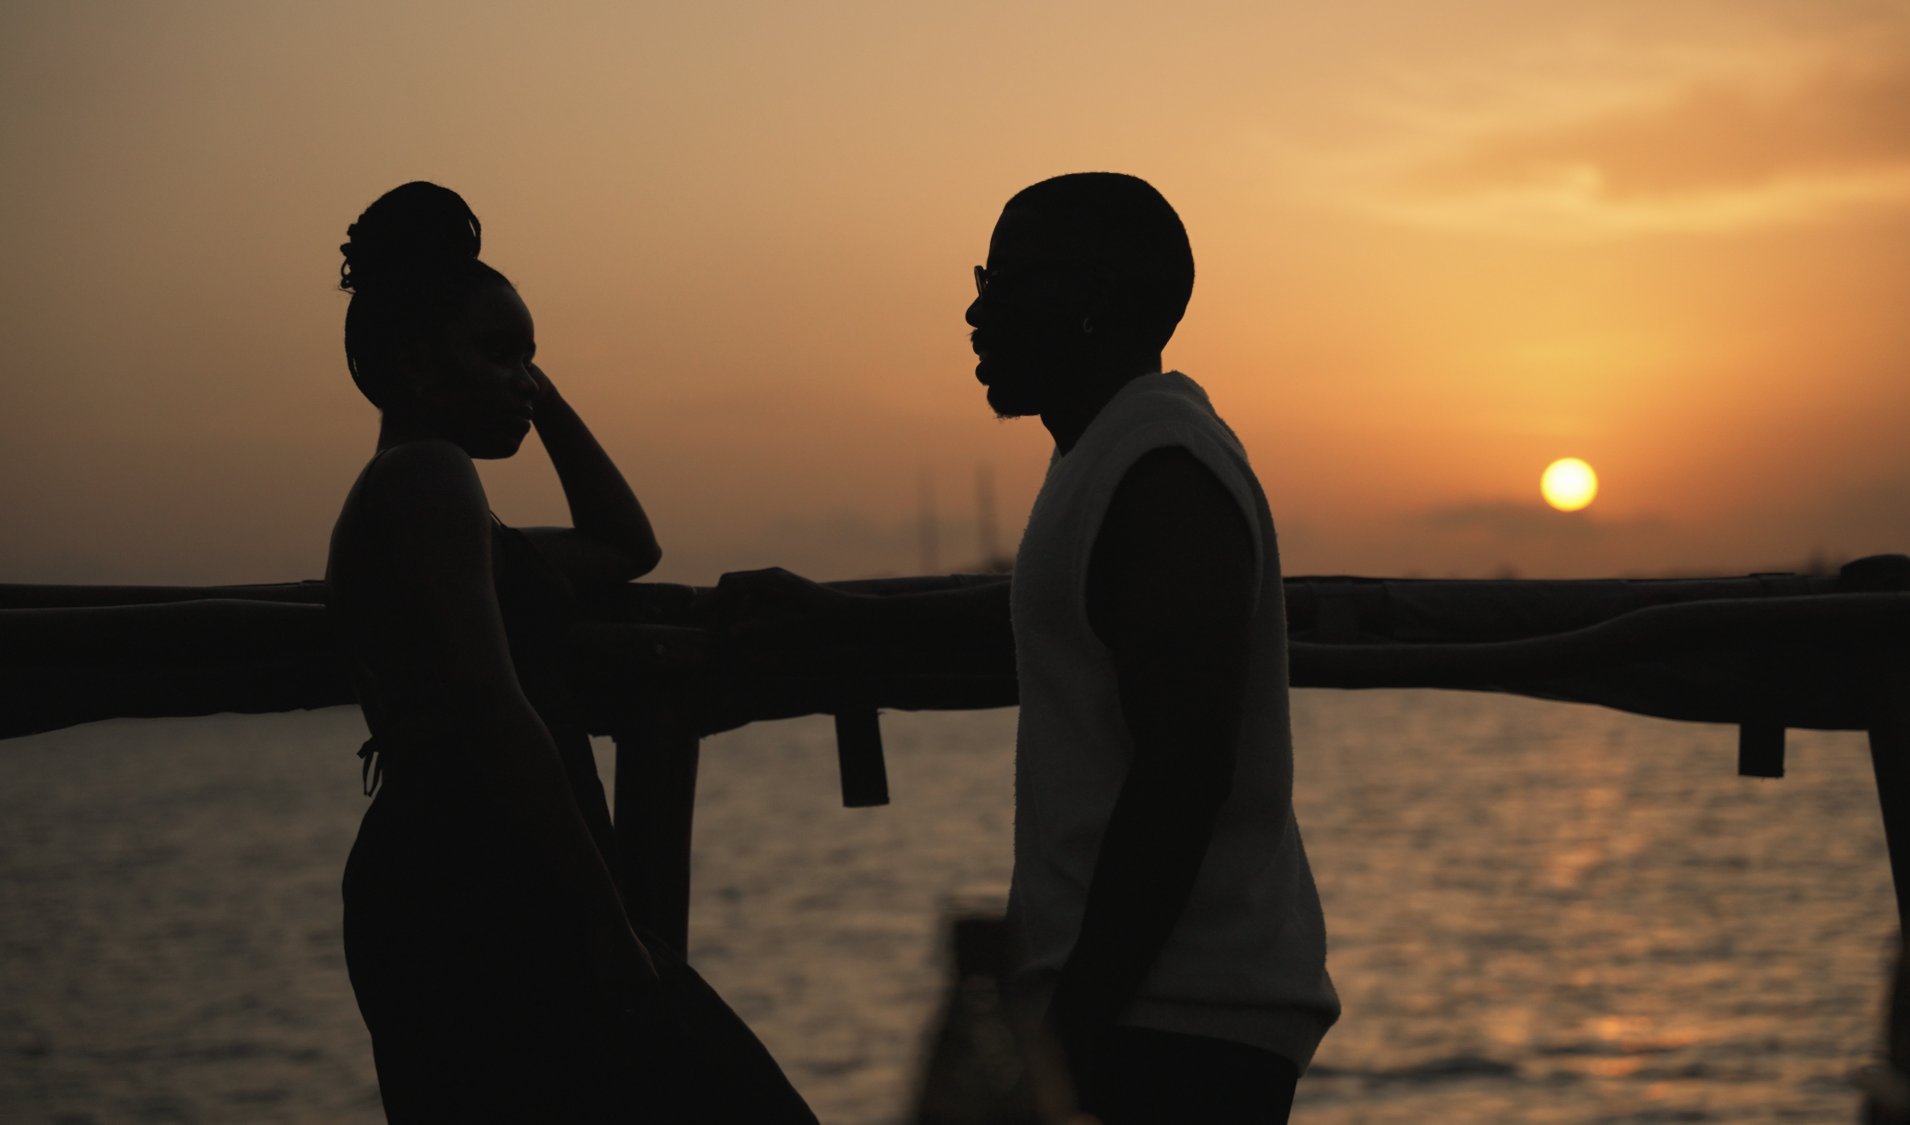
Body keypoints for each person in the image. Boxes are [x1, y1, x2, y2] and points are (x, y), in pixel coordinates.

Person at [728, 172, 1337, 1123]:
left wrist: (1069, 1033)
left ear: (1093, 298)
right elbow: (1039, 611)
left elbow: (1184, 770)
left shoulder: (1162, 468)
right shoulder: (1110, 452)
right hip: (1156, 1012)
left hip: (1179, 1024)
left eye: (1005, 280)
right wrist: (841, 619)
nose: (976, 311)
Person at [326, 181, 815, 1123]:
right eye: (500, 354)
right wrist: (608, 930)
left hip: (488, 871)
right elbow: (493, 712)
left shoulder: (448, 506)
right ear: (417, 362)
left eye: (533, 359)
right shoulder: (425, 478)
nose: (524, 379)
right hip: (478, 885)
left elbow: (628, 543)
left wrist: (536, 395)